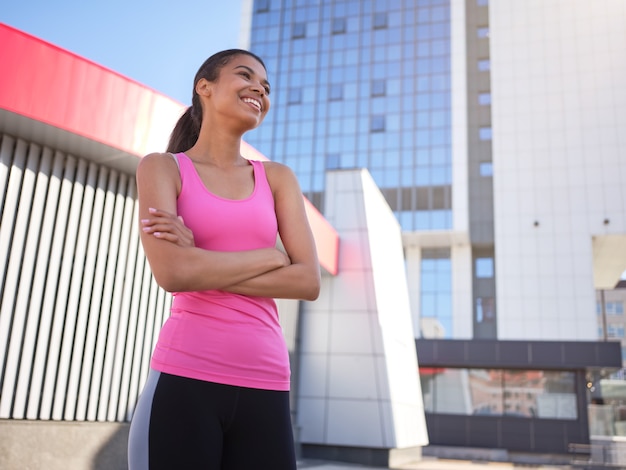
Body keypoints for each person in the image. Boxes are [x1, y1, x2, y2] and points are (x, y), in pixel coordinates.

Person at [127, 49, 321, 470]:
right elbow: (173, 273)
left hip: (267, 380)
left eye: (266, 87)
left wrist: (201, 261)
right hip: (185, 375)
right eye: (245, 75)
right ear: (205, 87)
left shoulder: (277, 178)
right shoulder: (162, 169)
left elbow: (307, 281)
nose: (260, 89)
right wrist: (271, 256)